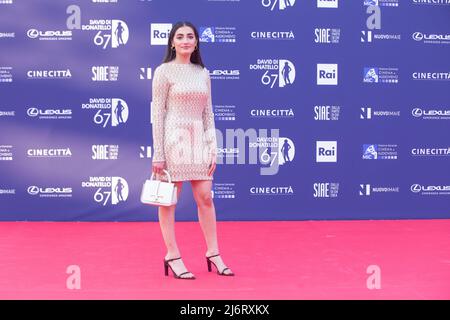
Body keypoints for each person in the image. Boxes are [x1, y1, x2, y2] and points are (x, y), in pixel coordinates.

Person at [151, 21, 234, 279]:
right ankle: (172, 254)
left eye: (190, 36)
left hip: (198, 140)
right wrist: (158, 154)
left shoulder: (202, 73)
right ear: (172, 42)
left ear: (196, 42)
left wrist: (213, 147)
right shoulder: (163, 72)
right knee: (169, 199)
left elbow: (208, 113)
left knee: (206, 198)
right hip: (173, 140)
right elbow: (157, 112)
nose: (185, 40)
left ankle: (213, 252)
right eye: (180, 36)